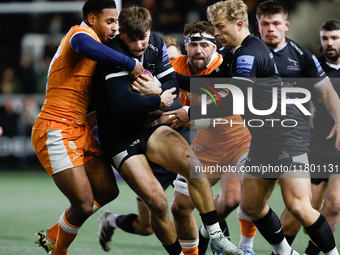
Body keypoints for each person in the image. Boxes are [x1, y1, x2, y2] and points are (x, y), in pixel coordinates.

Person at [164, 1, 340, 255]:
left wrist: (190, 112)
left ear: (239, 25)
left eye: (219, 27)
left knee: (299, 206)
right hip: (262, 139)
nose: (216, 33)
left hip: (284, 136)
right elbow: (205, 83)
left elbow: (235, 98)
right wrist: (162, 76)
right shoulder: (237, 52)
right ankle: (285, 252)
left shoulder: (248, 54)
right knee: (253, 206)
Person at [93, 6, 243, 255]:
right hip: (121, 138)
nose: (140, 44)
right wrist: (158, 99)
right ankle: (116, 223)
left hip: (153, 128)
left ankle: (216, 235)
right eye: (133, 39)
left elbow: (171, 83)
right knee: (158, 208)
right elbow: (121, 103)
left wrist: (158, 94)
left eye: (144, 37)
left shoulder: (159, 44)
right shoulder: (113, 52)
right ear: (122, 34)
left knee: (194, 172)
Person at [31, 0, 144, 254]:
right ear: (92, 19)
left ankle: (52, 234)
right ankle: (58, 250)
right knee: (82, 204)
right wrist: (130, 63)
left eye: (116, 21)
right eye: (110, 21)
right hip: (56, 127)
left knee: (106, 190)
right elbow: (82, 44)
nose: (115, 27)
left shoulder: (98, 47)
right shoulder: (80, 33)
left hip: (79, 128)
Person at [167, 20, 252, 255]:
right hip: (206, 144)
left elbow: (216, 112)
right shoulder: (176, 66)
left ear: (214, 47)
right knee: (180, 207)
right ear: (186, 47)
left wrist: (182, 117)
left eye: (205, 44)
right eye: (193, 44)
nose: (199, 50)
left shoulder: (224, 66)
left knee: (233, 201)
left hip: (237, 139)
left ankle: (240, 244)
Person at [272, 18, 340, 255]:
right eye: (325, 38)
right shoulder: (312, 67)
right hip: (314, 144)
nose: (329, 43)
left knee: (335, 204)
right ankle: (279, 251)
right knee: (301, 207)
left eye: (335, 38)